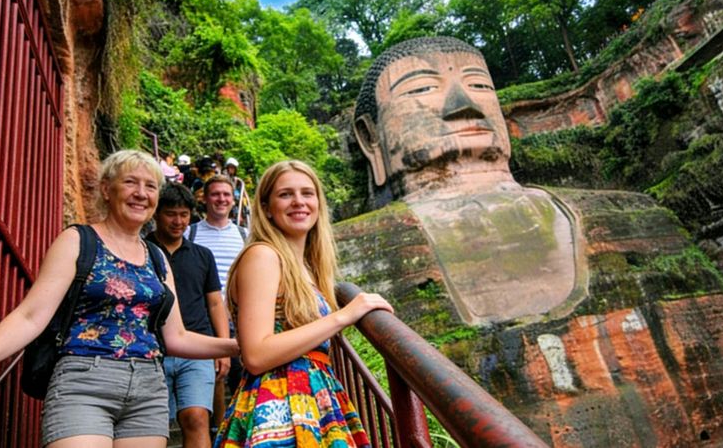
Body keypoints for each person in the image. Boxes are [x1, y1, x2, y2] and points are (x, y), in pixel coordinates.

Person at [0, 150, 239, 447]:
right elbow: (30, 316)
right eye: (130, 182)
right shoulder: (78, 240)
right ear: (106, 189)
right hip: (84, 379)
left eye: (150, 186)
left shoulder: (157, 257)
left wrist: (239, 345)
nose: (141, 193)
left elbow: (176, 337)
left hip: (148, 388)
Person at [353, 36, 581, 324]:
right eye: (422, 88)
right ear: (370, 137)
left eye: (480, 86)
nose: (463, 105)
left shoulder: (618, 212)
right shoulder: (353, 251)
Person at [214, 160, 393, 447]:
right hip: (278, 404)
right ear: (266, 208)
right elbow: (256, 355)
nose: (299, 201)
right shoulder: (263, 256)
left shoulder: (305, 268)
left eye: (307, 193)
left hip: (312, 397)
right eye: (285, 194)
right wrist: (342, 316)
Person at [146, 183, 230, 448]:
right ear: (156, 214)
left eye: (184, 215)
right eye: (171, 214)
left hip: (197, 347)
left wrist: (223, 348)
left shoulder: (202, 255)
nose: (178, 221)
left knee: (196, 417)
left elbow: (215, 303)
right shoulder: (141, 252)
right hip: (152, 349)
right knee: (152, 424)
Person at [184, 175, 246, 428]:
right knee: (213, 376)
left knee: (244, 374)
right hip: (203, 317)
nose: (221, 199)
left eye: (226, 194)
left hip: (239, 315)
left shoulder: (245, 235)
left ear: (233, 200)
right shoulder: (190, 233)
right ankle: (217, 431)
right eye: (215, 194)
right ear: (205, 199)